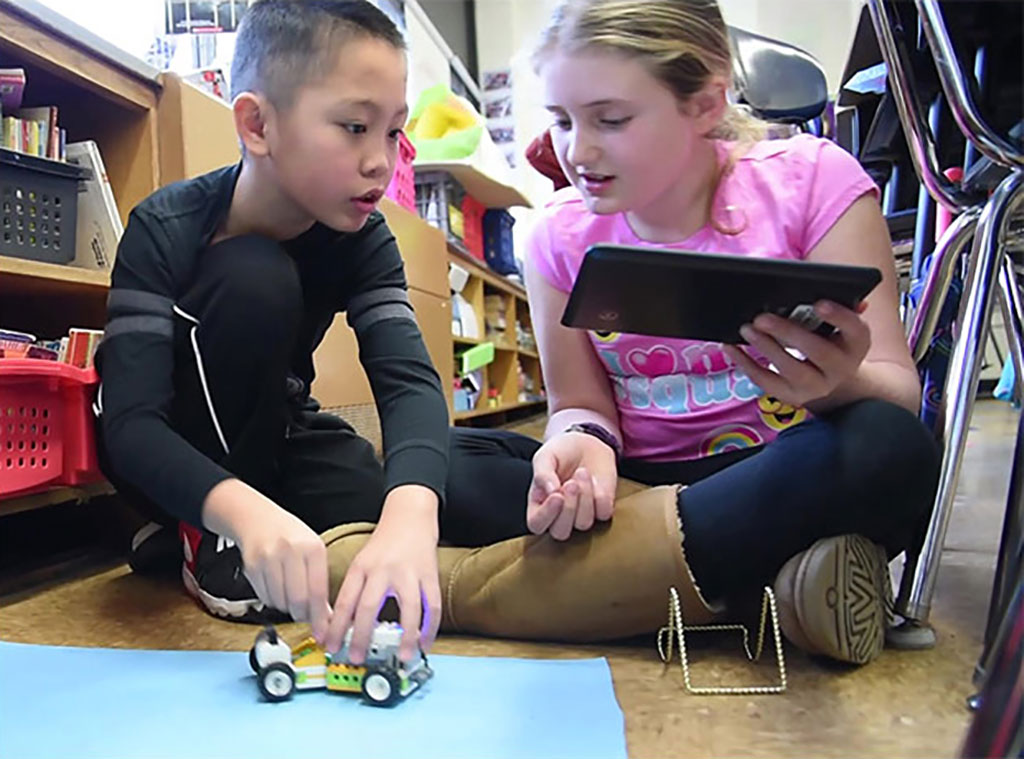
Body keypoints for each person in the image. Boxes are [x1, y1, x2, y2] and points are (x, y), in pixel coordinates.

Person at [421, 0, 939, 665]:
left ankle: (600, 588)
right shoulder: (557, 234)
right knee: (442, 459)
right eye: (561, 121)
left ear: (704, 101)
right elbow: (577, 404)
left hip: (776, 465)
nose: (578, 151)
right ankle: (761, 589)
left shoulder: (815, 181)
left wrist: (839, 384)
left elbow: (895, 391)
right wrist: (582, 442)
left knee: (892, 447)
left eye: (611, 119)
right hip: (633, 485)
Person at [96, 0, 447, 665]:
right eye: (353, 127)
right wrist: (243, 513)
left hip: (274, 423)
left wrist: (410, 514)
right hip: (165, 438)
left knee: (389, 491)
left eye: (394, 132)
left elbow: (408, 382)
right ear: (258, 123)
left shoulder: (366, 238)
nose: (381, 161)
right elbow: (131, 425)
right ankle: (200, 527)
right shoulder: (164, 227)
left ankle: (194, 526)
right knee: (256, 273)